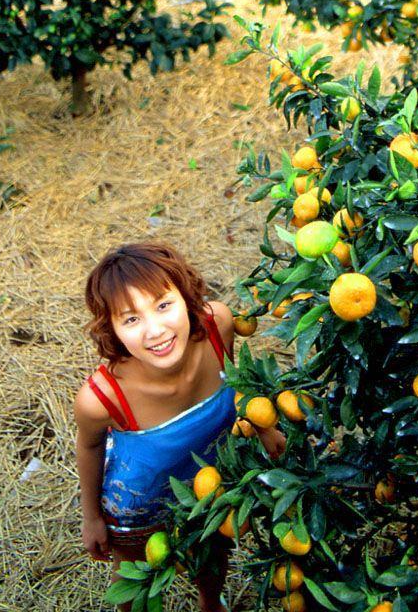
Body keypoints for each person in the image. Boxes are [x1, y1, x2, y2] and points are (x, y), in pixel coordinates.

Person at [74, 241, 285, 612]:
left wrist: (263, 427)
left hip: (209, 477)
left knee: (213, 546)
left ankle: (210, 603)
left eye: (163, 305)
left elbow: (234, 385)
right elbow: (89, 447)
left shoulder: (218, 325)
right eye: (131, 319)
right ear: (112, 329)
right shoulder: (102, 398)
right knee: (136, 582)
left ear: (185, 296)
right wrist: (92, 516)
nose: (155, 330)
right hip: (139, 499)